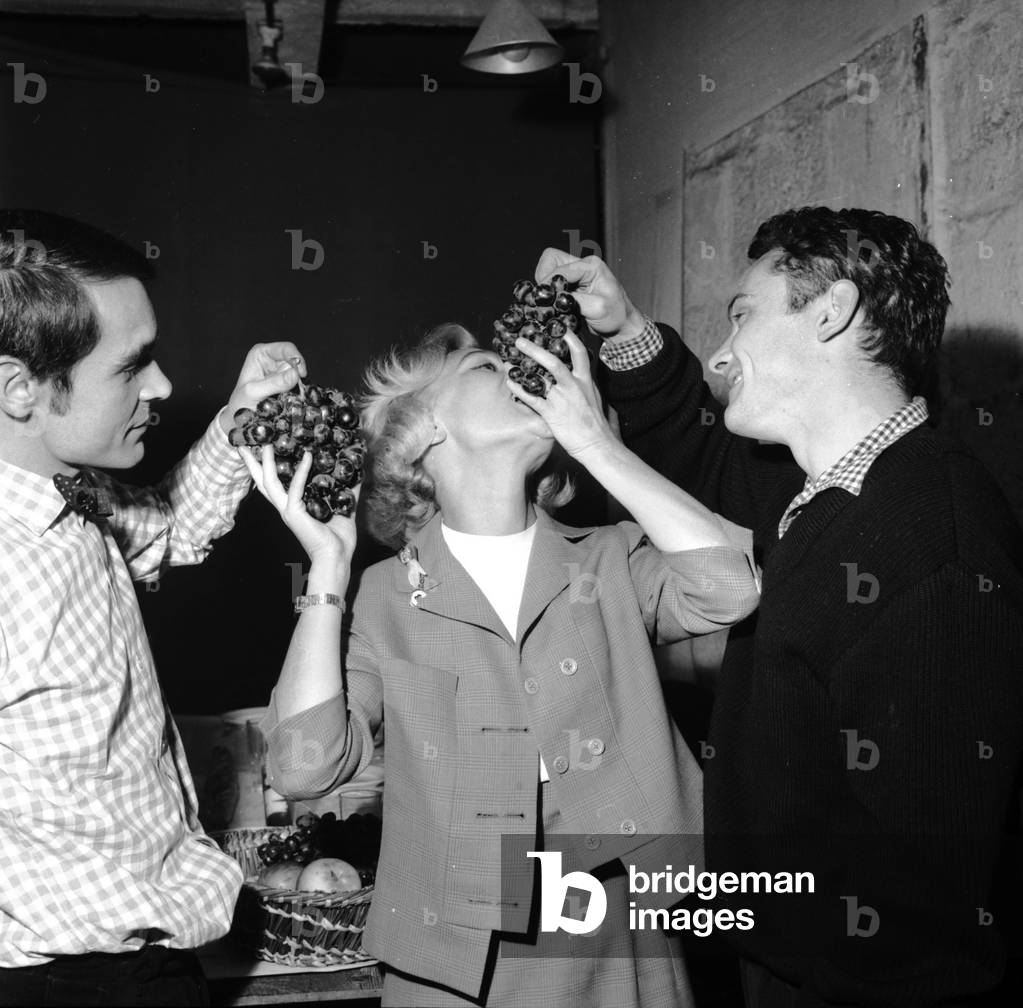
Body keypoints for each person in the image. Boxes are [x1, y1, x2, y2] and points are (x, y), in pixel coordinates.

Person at [534, 206, 1023, 1006]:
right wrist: (619, 326)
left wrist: (707, 909)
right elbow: (704, 457)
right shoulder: (831, 490)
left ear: (830, 311)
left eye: (741, 317)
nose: (722, 355)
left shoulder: (937, 551)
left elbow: (916, 909)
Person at [243, 322, 761, 1007]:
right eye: (490, 366)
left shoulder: (605, 557)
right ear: (425, 424)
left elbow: (730, 588)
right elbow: (303, 769)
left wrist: (596, 444)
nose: (527, 374)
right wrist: (328, 570)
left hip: (611, 928)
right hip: (457, 955)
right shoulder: (381, 597)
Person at [0, 209, 308, 1005]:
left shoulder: (79, 495)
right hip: (56, 982)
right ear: (19, 389)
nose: (163, 386)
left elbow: (172, 525)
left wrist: (243, 413)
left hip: (150, 955)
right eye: (132, 367)